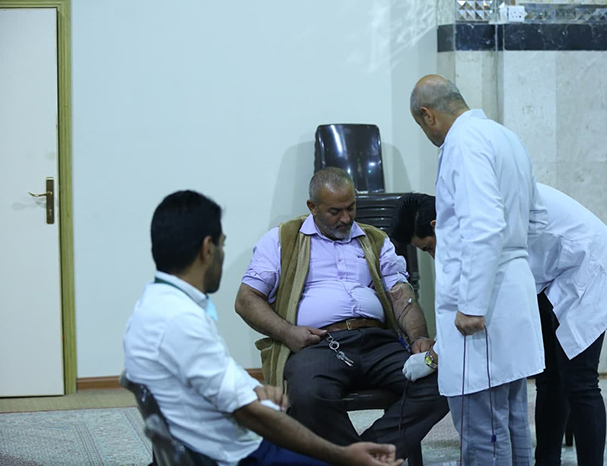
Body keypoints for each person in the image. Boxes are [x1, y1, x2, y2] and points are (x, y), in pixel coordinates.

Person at [123, 190, 403, 466]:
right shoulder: (182, 322)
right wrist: (341, 456)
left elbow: (215, 377)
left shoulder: (152, 308)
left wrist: (252, 388)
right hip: (240, 456)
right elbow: (254, 417)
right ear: (208, 249)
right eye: (222, 245)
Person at [390, 185, 607, 466]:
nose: (434, 256)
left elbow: (477, 304)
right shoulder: (466, 216)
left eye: (428, 247)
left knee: (580, 383)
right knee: (550, 379)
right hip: (551, 273)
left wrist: (432, 357)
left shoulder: (480, 221)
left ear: (436, 225)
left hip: (586, 262)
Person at [234, 168, 449, 459]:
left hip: (378, 342)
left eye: (351, 208)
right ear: (312, 207)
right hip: (319, 344)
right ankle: (364, 458)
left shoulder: (375, 239)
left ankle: (365, 456)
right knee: (307, 396)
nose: (346, 218)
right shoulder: (282, 239)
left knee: (442, 382)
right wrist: (288, 333)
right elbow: (246, 299)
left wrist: (418, 336)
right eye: (335, 211)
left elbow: (400, 293)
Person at [410, 74, 548, 465]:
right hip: (510, 292)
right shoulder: (505, 136)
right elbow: (537, 219)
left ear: (428, 115)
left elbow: (484, 226)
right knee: (511, 421)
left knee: (483, 428)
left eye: (422, 126)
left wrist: (471, 304)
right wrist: (515, 273)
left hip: (481, 308)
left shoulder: (463, 143)